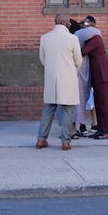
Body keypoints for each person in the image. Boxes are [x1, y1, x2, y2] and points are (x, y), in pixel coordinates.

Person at [36, 13, 83, 150]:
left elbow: (42, 59)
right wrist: (72, 70)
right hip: (67, 77)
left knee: (48, 109)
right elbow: (78, 60)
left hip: (51, 78)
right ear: (63, 22)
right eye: (68, 21)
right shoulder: (72, 38)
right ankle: (66, 141)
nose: (70, 23)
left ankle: (41, 139)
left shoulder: (45, 38)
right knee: (67, 109)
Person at [78, 14, 108, 139]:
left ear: (93, 25)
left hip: (102, 74)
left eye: (86, 24)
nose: (84, 27)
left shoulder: (94, 38)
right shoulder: (90, 38)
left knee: (103, 103)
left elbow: (82, 52)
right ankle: (100, 128)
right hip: (98, 74)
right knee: (98, 103)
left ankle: (107, 130)